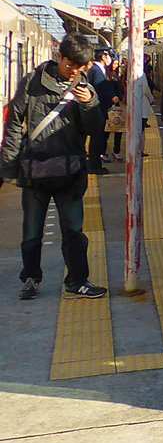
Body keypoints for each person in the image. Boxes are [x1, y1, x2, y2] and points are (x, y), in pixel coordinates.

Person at [0, 32, 107, 300]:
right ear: (59, 57)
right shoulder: (31, 83)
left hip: (70, 172)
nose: (75, 72)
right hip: (35, 170)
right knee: (32, 231)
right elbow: (13, 124)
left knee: (74, 231)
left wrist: (89, 104)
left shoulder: (85, 89)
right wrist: (9, 166)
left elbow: (96, 129)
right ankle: (31, 278)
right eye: (71, 65)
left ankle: (77, 280)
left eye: (80, 68)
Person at [86, 47, 114, 173]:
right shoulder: (97, 71)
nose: (110, 59)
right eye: (109, 56)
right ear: (103, 56)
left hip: (96, 109)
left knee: (96, 138)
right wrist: (110, 101)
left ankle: (94, 163)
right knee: (97, 138)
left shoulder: (95, 69)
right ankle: (95, 166)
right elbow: (100, 91)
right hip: (98, 109)